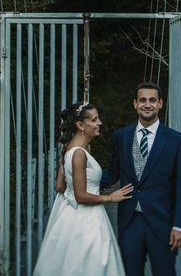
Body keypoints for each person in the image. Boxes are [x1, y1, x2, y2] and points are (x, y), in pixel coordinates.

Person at [101, 82, 181, 276]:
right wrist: (82, 179)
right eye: (142, 100)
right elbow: (112, 173)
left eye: (152, 100)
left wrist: (179, 226)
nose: (147, 104)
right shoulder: (121, 136)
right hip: (130, 220)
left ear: (160, 103)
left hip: (163, 223)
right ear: (135, 104)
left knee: (164, 272)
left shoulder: (177, 140)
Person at [33, 101, 134, 276]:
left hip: (71, 217)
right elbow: (80, 196)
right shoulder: (79, 153)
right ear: (81, 125)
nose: (100, 123)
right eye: (94, 120)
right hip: (88, 219)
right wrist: (110, 197)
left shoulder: (69, 149)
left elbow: (60, 186)